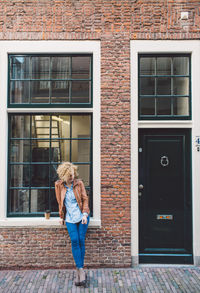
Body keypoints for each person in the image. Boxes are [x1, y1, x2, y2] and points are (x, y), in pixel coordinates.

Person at [55, 162, 90, 287]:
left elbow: (85, 199)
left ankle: (80, 271)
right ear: (64, 176)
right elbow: (60, 202)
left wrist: (85, 214)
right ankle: (80, 269)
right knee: (74, 241)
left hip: (82, 217)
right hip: (69, 218)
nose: (72, 177)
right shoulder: (59, 185)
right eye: (70, 176)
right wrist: (61, 216)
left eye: (73, 175)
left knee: (80, 240)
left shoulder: (79, 184)